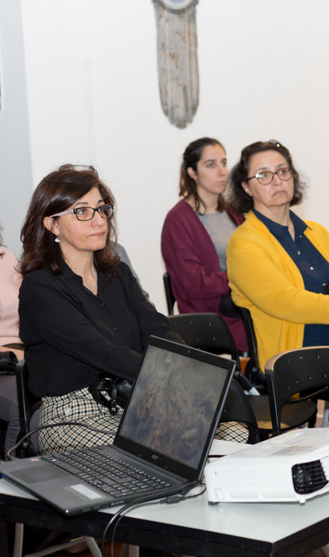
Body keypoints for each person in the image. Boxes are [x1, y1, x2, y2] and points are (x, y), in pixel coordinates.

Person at [17, 165, 246, 452]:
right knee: (171, 450)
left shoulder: (117, 274)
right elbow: (98, 349)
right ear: (51, 224)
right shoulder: (40, 288)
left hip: (135, 401)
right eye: (82, 211)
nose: (98, 220)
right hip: (73, 415)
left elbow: (157, 328)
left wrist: (192, 368)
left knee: (236, 435)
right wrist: (172, 377)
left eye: (102, 209)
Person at [226, 140, 329, 424]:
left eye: (283, 171)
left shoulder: (317, 232)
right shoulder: (243, 244)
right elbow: (290, 302)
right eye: (264, 175)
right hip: (293, 358)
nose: (277, 180)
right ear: (246, 187)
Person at [161, 137, 248, 350]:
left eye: (224, 163)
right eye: (211, 165)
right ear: (192, 172)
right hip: (212, 316)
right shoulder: (178, 220)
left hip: (241, 304)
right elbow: (194, 283)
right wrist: (243, 278)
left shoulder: (232, 212)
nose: (222, 171)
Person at [0, 227, 22, 453]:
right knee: (20, 402)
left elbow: (30, 308)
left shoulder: (6, 257)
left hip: (20, 356)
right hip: (3, 363)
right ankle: (10, 483)